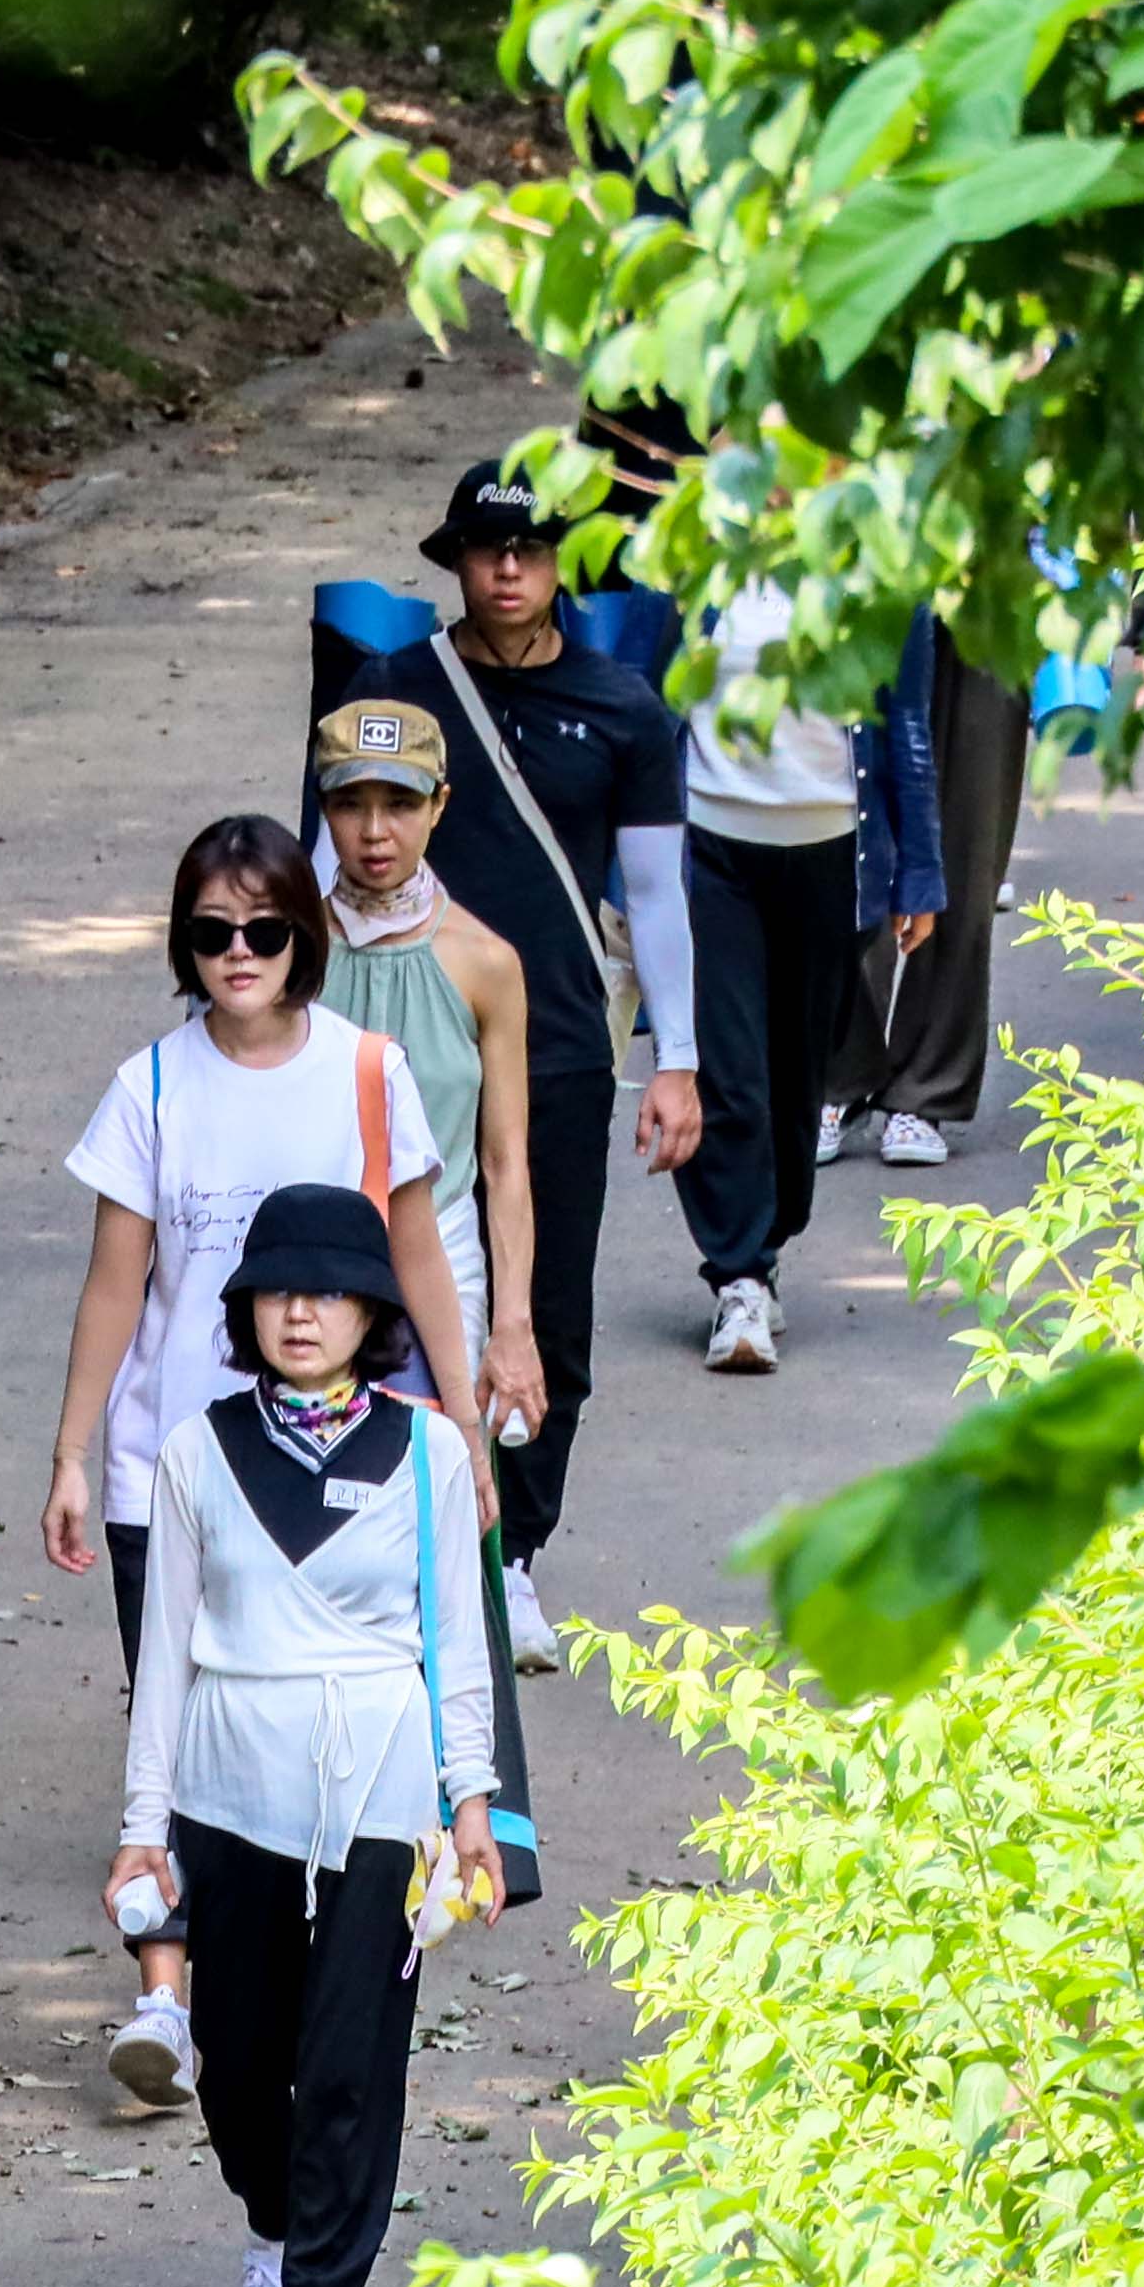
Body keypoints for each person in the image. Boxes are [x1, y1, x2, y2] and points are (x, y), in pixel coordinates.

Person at [37, 819, 473, 2110]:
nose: (239, 955)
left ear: (304, 938)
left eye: (265, 931)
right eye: (214, 933)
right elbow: (117, 1284)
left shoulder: (367, 1074)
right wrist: (72, 1453)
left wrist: (463, 1417)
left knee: (310, 1715)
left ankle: (305, 1955)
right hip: (172, 1465)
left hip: (343, 1469)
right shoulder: (152, 1087)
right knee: (165, 1711)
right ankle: (164, 1994)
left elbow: (418, 1253)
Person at [110, 1184, 500, 2287]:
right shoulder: (195, 1452)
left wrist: (475, 1799)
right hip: (231, 1785)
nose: (302, 1313)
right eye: (280, 1291)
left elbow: (457, 1637)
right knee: (238, 2062)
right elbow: (162, 1652)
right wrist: (142, 1821)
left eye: (329, 1291)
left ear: (373, 1312)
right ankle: (274, 2233)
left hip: (382, 1786)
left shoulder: (431, 1450)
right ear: (246, 1311)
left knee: (351, 2062)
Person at [331, 462, 703, 1570]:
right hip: (395, 1040)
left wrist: (676, 1060)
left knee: (546, 1312)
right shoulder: (394, 688)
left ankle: (514, 1550)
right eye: (489, 550)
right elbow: (323, 863)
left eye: (532, 550)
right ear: (454, 561)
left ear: (561, 566)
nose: (507, 568)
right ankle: (378, 1526)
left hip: (559, 1049)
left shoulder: (624, 709)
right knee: (367, 1286)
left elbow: (657, 894)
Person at [304, 693, 557, 1670]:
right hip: (311, 1254)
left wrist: (515, 1326)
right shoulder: (288, 954)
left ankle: (471, 1780)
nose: (375, 832)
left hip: (442, 1249)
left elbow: (505, 1163)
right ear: (324, 808)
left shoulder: (484, 963)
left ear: (441, 805)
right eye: (352, 802)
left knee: (451, 1493)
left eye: (400, 803)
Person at [672, 578, 943, 1375]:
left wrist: (920, 874)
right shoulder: (693, 552)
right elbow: (641, 690)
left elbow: (909, 723)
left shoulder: (884, 566)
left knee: (797, 1079)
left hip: (833, 853)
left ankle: (769, 1239)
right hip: (711, 844)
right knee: (728, 1070)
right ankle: (738, 1277)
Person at [832, 600, 1030, 1171]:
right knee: (846, 806)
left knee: (967, 838)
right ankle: (834, 1073)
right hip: (871, 556)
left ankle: (926, 1088)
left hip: (993, 580)